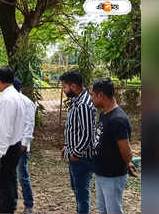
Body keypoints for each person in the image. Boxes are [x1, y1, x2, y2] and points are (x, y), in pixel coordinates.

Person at [90, 78, 137, 214]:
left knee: (113, 210)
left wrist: (128, 163)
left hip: (112, 175)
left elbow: (127, 153)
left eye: (93, 94)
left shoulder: (117, 120)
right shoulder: (105, 114)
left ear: (101, 95)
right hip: (102, 173)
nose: (91, 98)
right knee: (102, 210)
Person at [0, 67, 25, 214]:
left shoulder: (8, 99)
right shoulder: (13, 96)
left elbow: (5, 132)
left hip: (6, 149)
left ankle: (6, 211)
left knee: (4, 187)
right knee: (8, 183)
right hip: (11, 147)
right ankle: (8, 209)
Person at [59, 70, 96, 214]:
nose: (64, 90)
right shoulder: (77, 101)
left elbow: (87, 133)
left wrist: (76, 153)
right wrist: (66, 146)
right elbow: (74, 128)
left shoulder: (84, 105)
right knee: (77, 191)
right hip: (74, 154)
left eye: (64, 86)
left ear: (73, 86)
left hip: (81, 158)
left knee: (82, 195)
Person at [13, 77, 36, 214]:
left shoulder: (26, 102)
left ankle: (28, 205)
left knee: (22, 175)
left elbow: (29, 124)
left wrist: (24, 144)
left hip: (21, 145)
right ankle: (13, 202)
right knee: (12, 176)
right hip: (11, 145)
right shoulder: (12, 101)